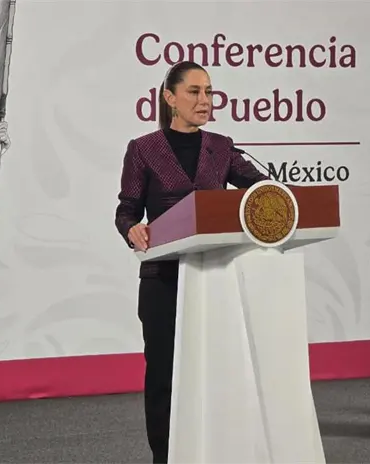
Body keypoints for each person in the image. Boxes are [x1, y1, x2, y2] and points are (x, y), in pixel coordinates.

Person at [114, 61, 269, 464]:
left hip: (210, 278)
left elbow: (260, 188)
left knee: (212, 373)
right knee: (164, 376)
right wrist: (132, 228)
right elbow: (126, 210)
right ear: (170, 98)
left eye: (209, 91)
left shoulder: (222, 147)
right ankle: (165, 457)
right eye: (195, 92)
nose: (205, 100)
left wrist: (282, 195)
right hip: (163, 280)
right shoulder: (143, 149)